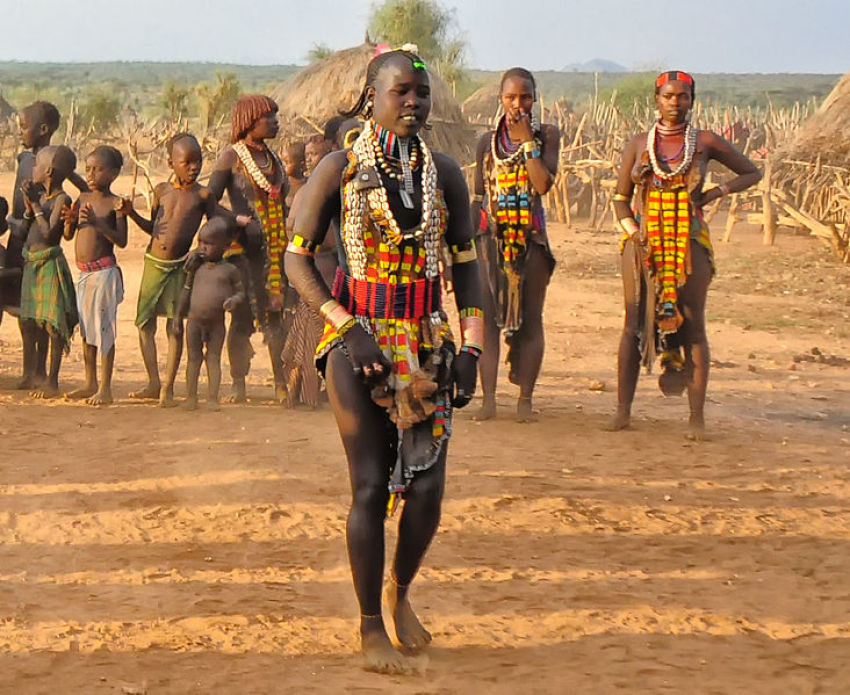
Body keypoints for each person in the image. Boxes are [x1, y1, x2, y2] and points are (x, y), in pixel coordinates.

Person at [285, 46, 483, 674]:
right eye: (400, 92)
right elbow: (297, 258)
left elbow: (468, 268)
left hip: (426, 342)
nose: (414, 104)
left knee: (427, 492)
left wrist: (473, 346)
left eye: (420, 95)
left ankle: (399, 591)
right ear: (371, 96)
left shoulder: (444, 172)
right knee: (370, 487)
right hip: (357, 341)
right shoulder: (339, 168)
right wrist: (349, 331)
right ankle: (370, 627)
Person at [609, 71, 761, 439]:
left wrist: (715, 193)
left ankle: (696, 419)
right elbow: (620, 199)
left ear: (693, 100)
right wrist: (635, 235)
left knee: (692, 323)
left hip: (689, 245)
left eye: (683, 97)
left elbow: (751, 172)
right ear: (656, 99)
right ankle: (622, 412)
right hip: (643, 246)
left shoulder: (705, 142)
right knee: (633, 325)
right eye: (668, 96)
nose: (675, 103)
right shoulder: (639, 144)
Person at [471, 67, 560, 422]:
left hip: (531, 242)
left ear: (535, 99)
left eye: (525, 97)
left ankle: (525, 400)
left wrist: (526, 144)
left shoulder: (547, 137)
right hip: (490, 241)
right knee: (487, 321)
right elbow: (479, 196)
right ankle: (488, 400)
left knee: (531, 321)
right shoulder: (485, 142)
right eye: (511, 97)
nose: (518, 104)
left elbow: (541, 185)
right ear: (500, 98)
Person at [120, 132, 217, 407]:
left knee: (175, 327)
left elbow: (214, 227)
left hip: (179, 267)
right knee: (144, 323)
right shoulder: (161, 191)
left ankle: (169, 387)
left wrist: (200, 251)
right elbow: (153, 229)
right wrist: (130, 213)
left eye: (198, 161)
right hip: (153, 263)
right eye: (187, 162)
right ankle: (153, 381)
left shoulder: (203, 195)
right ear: (170, 163)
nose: (194, 167)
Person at [208, 95, 289, 404]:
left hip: (274, 249)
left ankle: (280, 382)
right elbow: (209, 201)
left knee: (275, 316)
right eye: (268, 117)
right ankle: (238, 384)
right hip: (243, 250)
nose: (274, 122)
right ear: (249, 121)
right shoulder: (231, 157)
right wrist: (237, 219)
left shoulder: (273, 158)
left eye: (275, 116)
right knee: (241, 317)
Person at [4, 102, 86, 384]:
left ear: (43, 129)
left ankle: (40, 372)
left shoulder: (54, 161)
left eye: (24, 127)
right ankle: (29, 371)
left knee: (41, 313)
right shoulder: (26, 160)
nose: (20, 132)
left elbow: (83, 188)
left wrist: (74, 213)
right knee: (24, 311)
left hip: (39, 243)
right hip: (20, 239)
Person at [63, 145, 127, 405]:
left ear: (113, 174)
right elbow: (69, 235)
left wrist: (97, 223)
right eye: (87, 168)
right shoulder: (83, 199)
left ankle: (106, 387)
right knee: (87, 331)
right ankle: (90, 382)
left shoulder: (115, 204)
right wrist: (69, 219)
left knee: (104, 330)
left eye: (97, 169)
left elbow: (121, 240)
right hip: (85, 275)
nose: (90, 174)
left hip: (104, 273)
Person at [18, 145, 78, 398]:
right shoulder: (41, 197)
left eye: (37, 165)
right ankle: (36, 374)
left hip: (49, 265)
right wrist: (29, 208)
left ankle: (52, 381)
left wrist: (36, 206)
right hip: (32, 263)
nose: (33, 169)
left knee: (52, 326)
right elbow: (24, 231)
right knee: (33, 323)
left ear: (49, 171)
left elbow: (50, 234)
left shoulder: (62, 199)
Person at [178, 217, 245, 411]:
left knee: (214, 358)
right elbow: (186, 291)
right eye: (200, 243)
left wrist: (234, 300)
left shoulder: (230, 270)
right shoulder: (195, 267)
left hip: (217, 324)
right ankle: (191, 397)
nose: (202, 248)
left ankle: (212, 398)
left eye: (208, 244)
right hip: (194, 321)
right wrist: (177, 318)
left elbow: (241, 292)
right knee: (193, 359)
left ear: (225, 246)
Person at [281, 141, 307, 209]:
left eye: (287, 162)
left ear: (301, 164)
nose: (283, 165)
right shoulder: (281, 185)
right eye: (283, 161)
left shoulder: (309, 184)